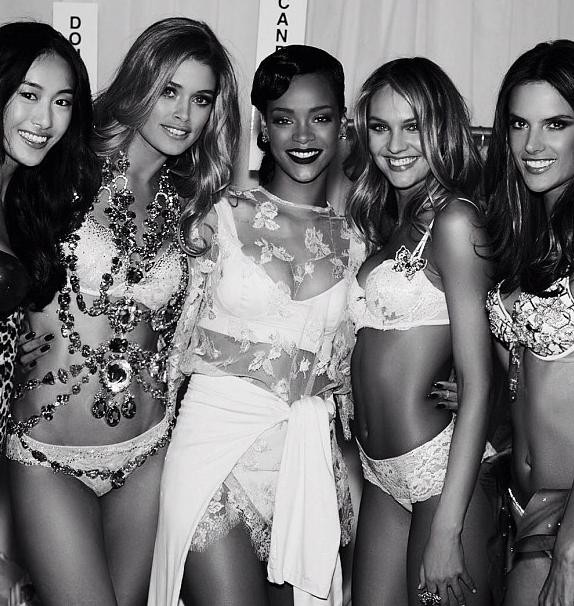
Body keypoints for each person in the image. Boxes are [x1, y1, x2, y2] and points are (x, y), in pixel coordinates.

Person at [5, 17, 240, 606]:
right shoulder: (58, 167)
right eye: (170, 90)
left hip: (147, 454)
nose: (183, 114)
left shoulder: (194, 207)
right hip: (49, 451)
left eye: (201, 99)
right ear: (140, 82)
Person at [149, 45, 354, 606]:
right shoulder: (212, 218)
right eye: (285, 119)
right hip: (213, 448)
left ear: (342, 123)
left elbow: (361, 363)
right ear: (263, 126)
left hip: (303, 464)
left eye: (320, 117)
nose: (303, 135)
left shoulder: (358, 241)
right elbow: (160, 336)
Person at [345, 57, 495, 606]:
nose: (395, 145)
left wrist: (448, 529)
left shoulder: (456, 221)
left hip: (441, 474)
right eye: (380, 127)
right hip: (378, 475)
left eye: (412, 126)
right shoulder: (386, 223)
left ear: (442, 129)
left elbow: (477, 381)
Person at [483, 39, 574, 606]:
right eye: (519, 124)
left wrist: (570, 551)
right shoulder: (525, 236)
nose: (532, 145)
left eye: (555, 124)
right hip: (517, 503)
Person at [0, 21, 97, 446]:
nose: (44, 120)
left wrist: (13, 346)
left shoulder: (25, 200)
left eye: (62, 102)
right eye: (29, 94)